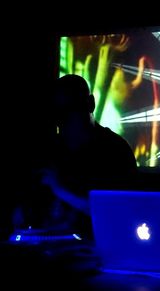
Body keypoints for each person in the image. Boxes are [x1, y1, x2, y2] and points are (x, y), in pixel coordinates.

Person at [18, 74, 137, 238]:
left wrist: (61, 190)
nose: (63, 120)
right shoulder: (52, 150)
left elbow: (118, 212)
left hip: (95, 252)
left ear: (90, 104)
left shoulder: (115, 151)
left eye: (70, 109)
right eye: (58, 113)